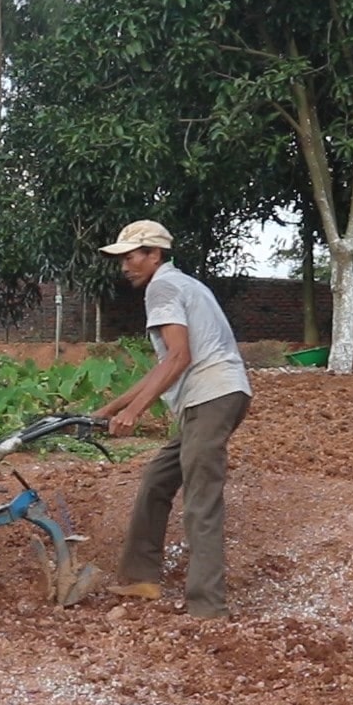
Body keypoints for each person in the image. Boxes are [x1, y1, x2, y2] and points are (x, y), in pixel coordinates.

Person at [91, 220, 252, 619]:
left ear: (154, 254)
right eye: (122, 259)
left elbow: (180, 357)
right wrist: (111, 408)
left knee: (201, 501)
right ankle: (140, 576)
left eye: (131, 257)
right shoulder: (186, 285)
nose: (125, 267)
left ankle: (207, 607)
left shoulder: (162, 288)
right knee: (157, 479)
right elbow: (166, 365)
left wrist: (134, 413)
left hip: (212, 395)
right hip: (217, 395)